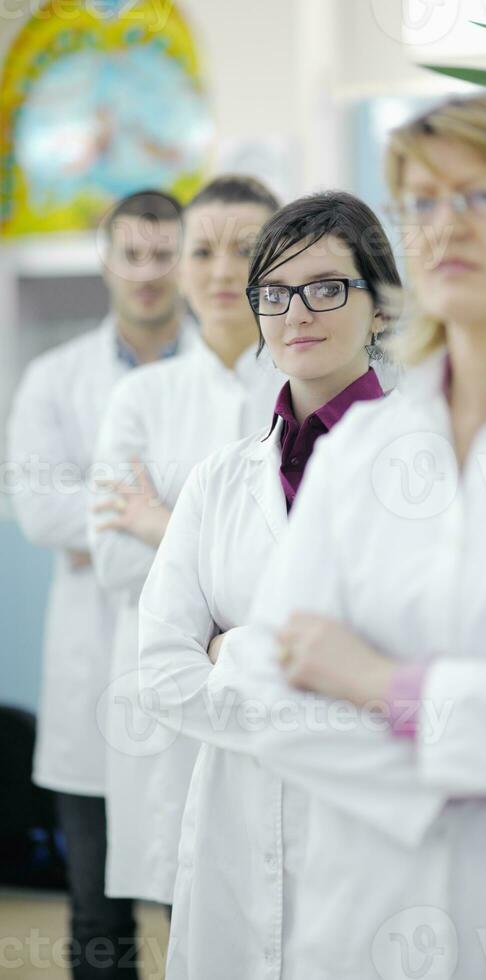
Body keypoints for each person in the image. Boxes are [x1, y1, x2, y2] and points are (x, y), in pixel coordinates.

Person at [186, 94, 486, 980]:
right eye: (423, 204)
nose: (444, 227)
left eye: (478, 197)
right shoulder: (367, 448)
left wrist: (380, 685)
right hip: (365, 925)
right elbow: (270, 696)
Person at [137, 189, 401, 978]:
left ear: (381, 307)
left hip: (376, 839)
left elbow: (417, 674)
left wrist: (236, 652)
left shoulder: (432, 472)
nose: (298, 313)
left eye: (327, 288)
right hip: (235, 831)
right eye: (275, 294)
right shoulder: (221, 479)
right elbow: (159, 672)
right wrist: (324, 678)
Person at [6, 189, 196, 979]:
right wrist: (165, 518)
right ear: (106, 260)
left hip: (192, 679)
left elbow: (243, 524)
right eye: (133, 254)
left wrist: (133, 517)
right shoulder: (55, 378)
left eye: (164, 254)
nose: (148, 272)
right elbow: (37, 511)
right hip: (91, 681)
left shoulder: (227, 372)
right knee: (97, 918)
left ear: (183, 261)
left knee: (202, 905)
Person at [88, 175, 283, 911]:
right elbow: (112, 560)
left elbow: (320, 574)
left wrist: (163, 526)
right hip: (174, 710)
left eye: (247, 248)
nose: (224, 270)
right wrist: (247, 586)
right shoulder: (141, 397)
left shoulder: (320, 386)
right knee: (190, 910)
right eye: (202, 250)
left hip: (290, 706)